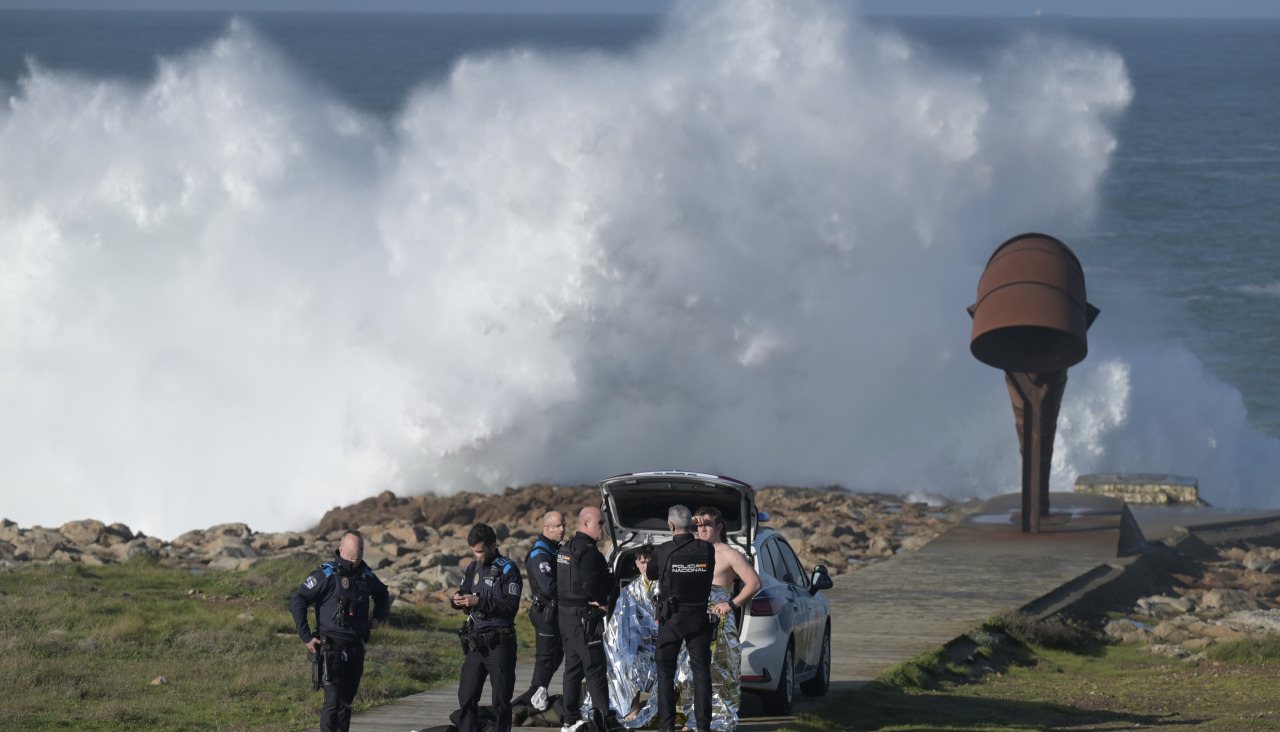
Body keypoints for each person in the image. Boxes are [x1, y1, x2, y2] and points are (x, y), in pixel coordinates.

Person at [289, 531, 390, 732]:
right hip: (331, 646)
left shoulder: (366, 574)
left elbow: (382, 592)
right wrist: (307, 637)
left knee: (346, 702)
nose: (356, 555)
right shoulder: (326, 574)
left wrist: (377, 617)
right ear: (341, 549)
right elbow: (298, 600)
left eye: (360, 551)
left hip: (356, 646)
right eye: (353, 551)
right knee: (333, 702)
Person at [687, 506, 763, 731]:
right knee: (689, 670)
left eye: (707, 524)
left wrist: (730, 604)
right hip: (691, 617)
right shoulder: (690, 549)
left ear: (719, 527)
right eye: (698, 525)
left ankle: (720, 722)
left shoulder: (729, 554)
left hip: (718, 620)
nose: (702, 529)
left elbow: (755, 583)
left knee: (720, 670)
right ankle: (692, 721)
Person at [646, 505, 716, 732]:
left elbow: (651, 573)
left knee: (665, 673)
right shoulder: (707, 550)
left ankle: (667, 728)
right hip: (698, 618)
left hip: (672, 619)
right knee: (701, 673)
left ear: (670, 526)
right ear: (691, 525)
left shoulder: (664, 550)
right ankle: (703, 726)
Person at [557, 506, 625, 732]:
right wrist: (602, 601)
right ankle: (606, 720)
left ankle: (569, 719)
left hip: (566, 618)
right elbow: (588, 582)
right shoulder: (588, 551)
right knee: (595, 669)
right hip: (584, 620)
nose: (604, 528)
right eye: (601, 523)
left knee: (573, 668)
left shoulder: (566, 548)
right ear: (586, 524)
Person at [452, 523, 523, 732]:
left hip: (500, 644)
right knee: (466, 697)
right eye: (473, 551)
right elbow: (464, 591)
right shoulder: (472, 567)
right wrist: (457, 600)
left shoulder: (509, 569)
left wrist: (479, 602)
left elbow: (511, 607)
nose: (477, 556)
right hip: (476, 642)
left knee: (501, 701)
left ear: (493, 546)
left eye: (481, 551)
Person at [601, 544, 660, 728]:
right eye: (641, 562)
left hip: (662, 639)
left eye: (648, 562)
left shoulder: (665, 585)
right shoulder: (630, 589)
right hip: (638, 641)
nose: (644, 566)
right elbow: (620, 621)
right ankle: (633, 706)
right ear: (636, 563)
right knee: (627, 659)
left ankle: (662, 707)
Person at [514, 510, 566, 711]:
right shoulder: (540, 553)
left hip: (555, 613)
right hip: (545, 612)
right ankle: (532, 699)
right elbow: (548, 587)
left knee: (556, 657)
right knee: (546, 658)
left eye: (563, 525)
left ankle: (537, 692)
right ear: (546, 528)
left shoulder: (555, 549)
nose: (562, 529)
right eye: (557, 526)